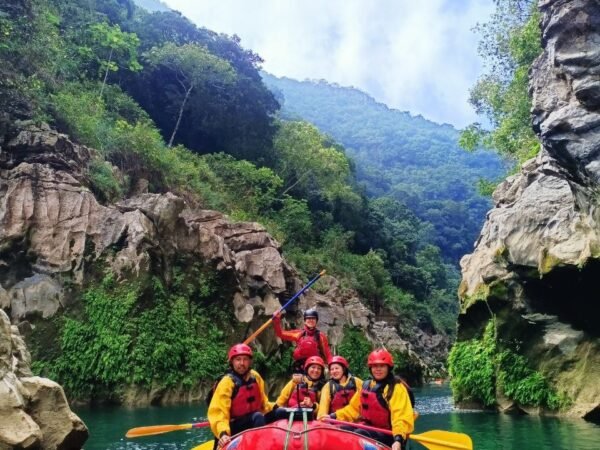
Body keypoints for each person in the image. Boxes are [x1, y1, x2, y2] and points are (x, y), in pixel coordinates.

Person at [322, 349, 414, 450]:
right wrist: (333, 416)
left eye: (382, 366)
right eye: (375, 366)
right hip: (368, 427)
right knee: (340, 430)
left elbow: (400, 417)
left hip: (388, 433)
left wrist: (398, 439)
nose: (378, 369)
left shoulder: (395, 388)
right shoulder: (366, 386)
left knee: (359, 435)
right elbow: (353, 409)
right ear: (370, 368)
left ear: (388, 367)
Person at [207, 343, 274, 449]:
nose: (242, 363)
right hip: (233, 427)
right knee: (257, 417)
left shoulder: (255, 377)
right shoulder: (227, 382)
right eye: (238, 359)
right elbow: (218, 413)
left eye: (245, 359)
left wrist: (277, 408)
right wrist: (223, 433)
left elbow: (264, 404)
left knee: (279, 412)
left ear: (250, 361)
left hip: (252, 421)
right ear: (232, 362)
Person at [272, 308, 333, 373]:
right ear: (304, 321)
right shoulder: (299, 333)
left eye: (313, 318)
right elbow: (280, 334)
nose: (311, 320)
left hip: (314, 366)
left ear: (316, 321)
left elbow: (327, 352)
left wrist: (332, 366)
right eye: (308, 318)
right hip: (299, 366)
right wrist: (276, 320)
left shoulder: (321, 336)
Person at [271, 355, 326, 420]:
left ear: (322, 372)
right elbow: (283, 397)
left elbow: (323, 409)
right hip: (291, 413)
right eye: (313, 367)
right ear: (307, 369)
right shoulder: (296, 380)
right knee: (279, 412)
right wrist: (275, 408)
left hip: (310, 417)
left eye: (319, 368)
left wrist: (313, 405)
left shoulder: (323, 387)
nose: (316, 370)